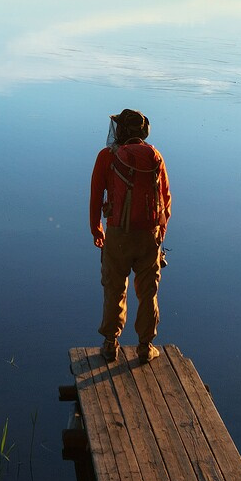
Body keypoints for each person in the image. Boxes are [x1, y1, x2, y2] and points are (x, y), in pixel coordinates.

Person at [89, 108, 172, 364]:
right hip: (150, 235)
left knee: (115, 289)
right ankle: (146, 347)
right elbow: (165, 200)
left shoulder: (107, 156)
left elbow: (96, 196)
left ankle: (110, 344)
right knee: (148, 293)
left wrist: (96, 229)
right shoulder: (154, 156)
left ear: (121, 131)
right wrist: (159, 235)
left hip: (118, 234)